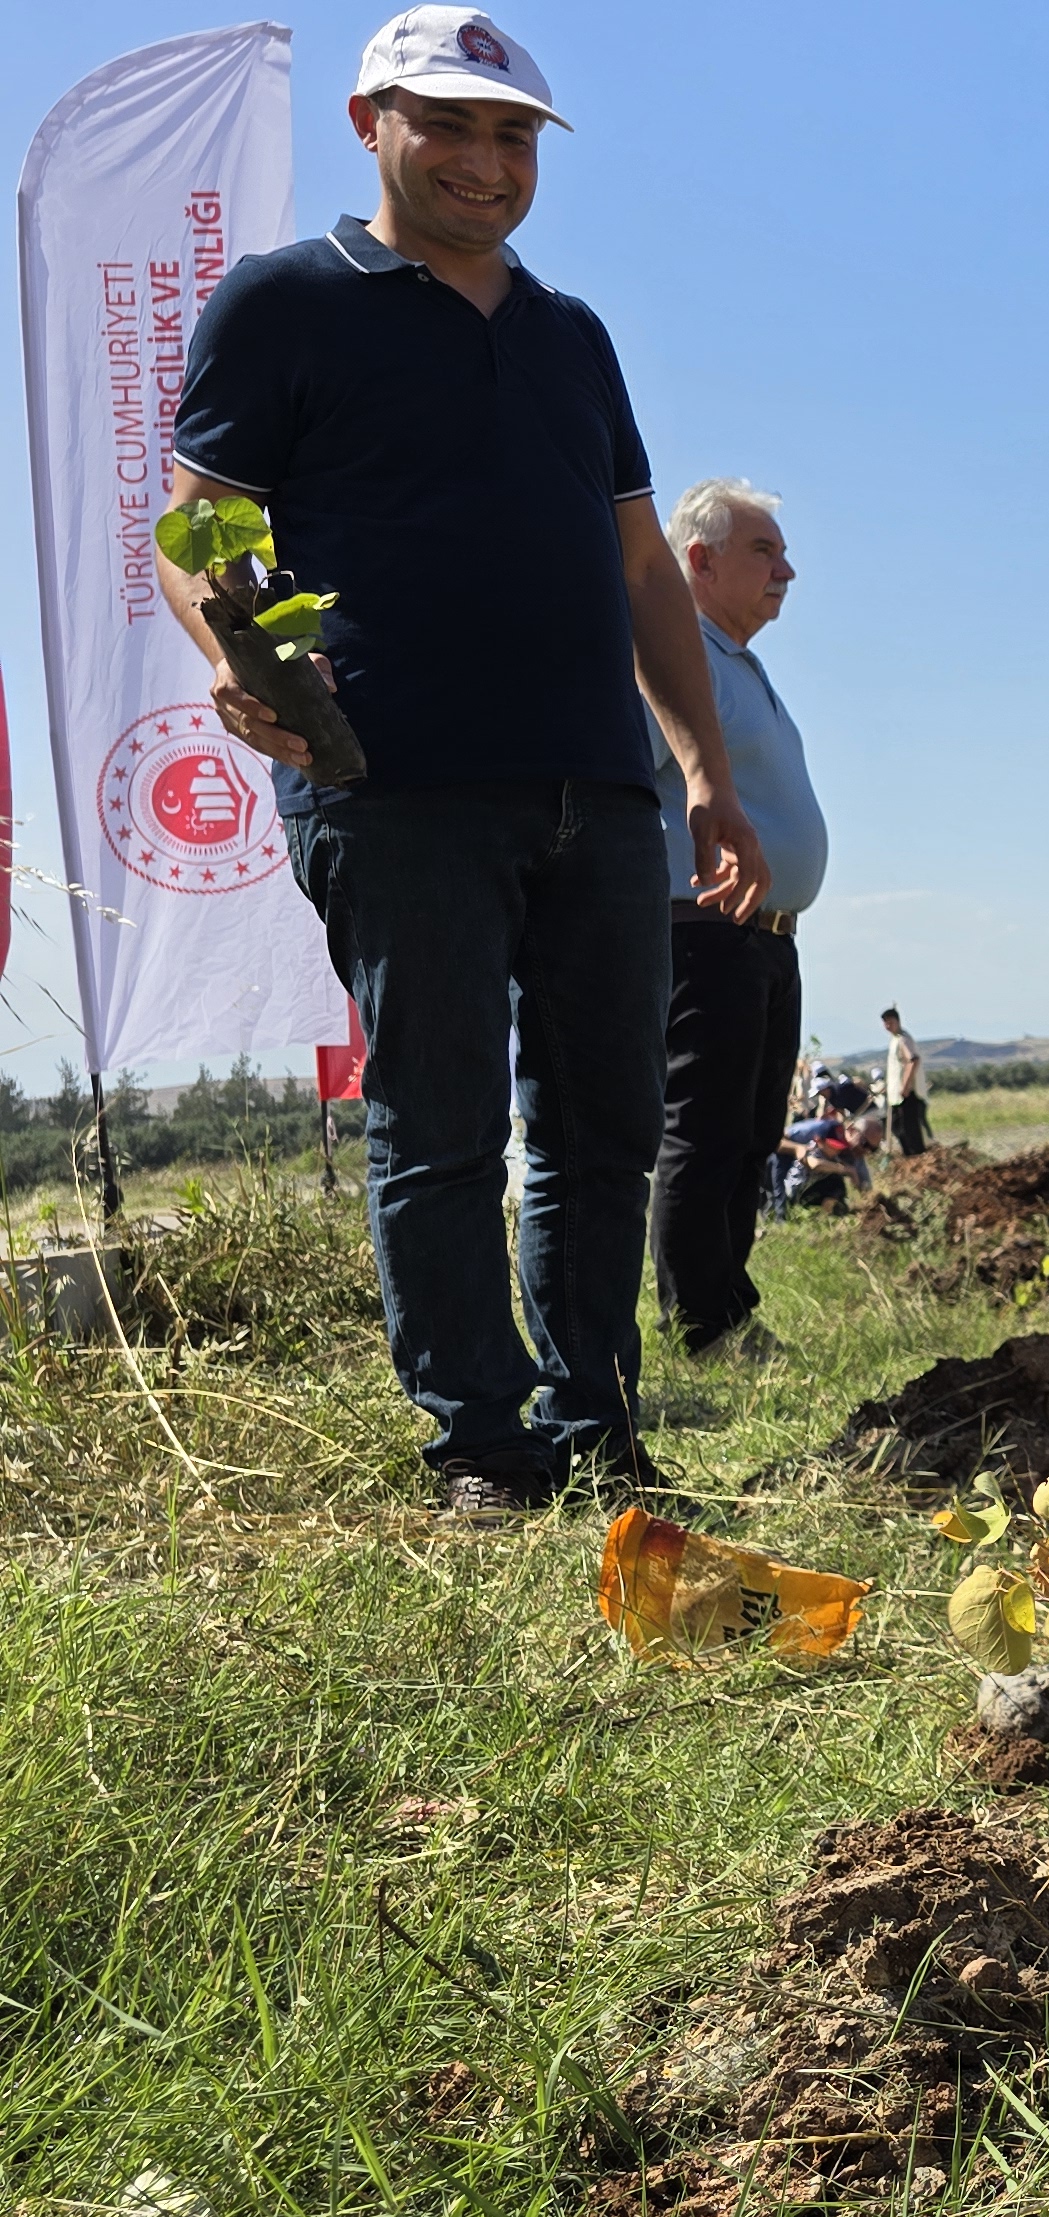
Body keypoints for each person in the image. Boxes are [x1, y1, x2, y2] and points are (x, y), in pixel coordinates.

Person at [160, 8, 765, 1517]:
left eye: (512, 137)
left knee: (605, 1123)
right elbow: (199, 525)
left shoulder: (571, 336)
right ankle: (481, 1453)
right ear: (373, 121)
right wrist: (241, 666)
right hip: (399, 781)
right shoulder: (284, 303)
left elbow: (641, 572)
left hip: (598, 787)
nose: (486, 164)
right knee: (440, 1129)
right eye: (451, 127)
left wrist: (703, 769)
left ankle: (596, 1423)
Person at [642, 477, 826, 1359]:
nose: (786, 569)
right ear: (700, 560)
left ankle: (725, 1307)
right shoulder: (674, 660)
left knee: (751, 1132)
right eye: (765, 550)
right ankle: (701, 1325)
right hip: (701, 925)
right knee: (706, 1127)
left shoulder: (733, 659)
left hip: (764, 935)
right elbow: (638, 783)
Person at [878, 1007, 930, 1156]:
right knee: (898, 1127)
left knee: (910, 1129)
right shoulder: (895, 1039)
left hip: (906, 1094)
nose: (888, 1026)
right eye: (886, 1023)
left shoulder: (903, 1039)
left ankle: (917, 1156)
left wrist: (905, 1085)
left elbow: (913, 1060)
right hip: (896, 1095)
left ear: (898, 1021)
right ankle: (909, 1156)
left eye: (891, 1022)